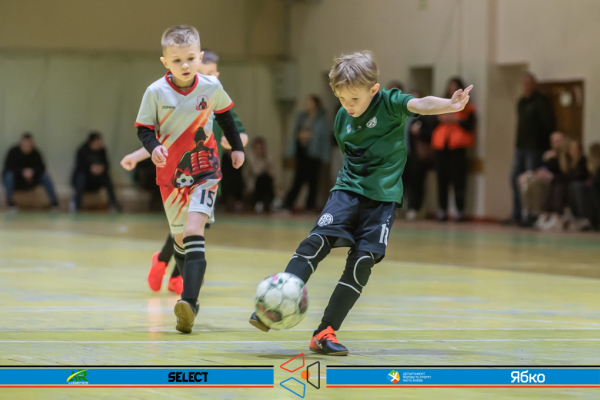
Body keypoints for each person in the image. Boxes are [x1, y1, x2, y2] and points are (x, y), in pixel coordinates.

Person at [248, 51, 473, 355]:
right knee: (316, 242)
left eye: (354, 99)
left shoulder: (389, 103)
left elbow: (419, 104)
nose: (349, 106)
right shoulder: (342, 118)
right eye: (342, 99)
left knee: (362, 263)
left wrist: (450, 104)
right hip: (347, 191)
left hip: (382, 200)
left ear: (374, 90)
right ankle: (272, 305)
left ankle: (325, 331)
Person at [135, 25, 244, 334]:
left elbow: (226, 116)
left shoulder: (211, 87)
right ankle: (190, 291)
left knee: (195, 230)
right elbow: (144, 129)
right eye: (177, 60)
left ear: (199, 56)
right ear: (165, 62)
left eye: (191, 58)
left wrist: (237, 147)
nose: (185, 65)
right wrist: (154, 147)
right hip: (171, 178)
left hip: (206, 173)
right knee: (181, 240)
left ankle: (189, 303)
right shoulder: (155, 92)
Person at [508, 72, 555, 225]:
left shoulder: (541, 101)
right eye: (525, 83)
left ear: (534, 85)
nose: (526, 86)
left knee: (531, 182)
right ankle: (517, 213)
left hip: (535, 148)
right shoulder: (521, 102)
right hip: (520, 146)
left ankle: (530, 215)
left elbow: (548, 124)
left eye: (529, 83)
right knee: (515, 178)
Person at [431, 77, 476, 222]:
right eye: (451, 87)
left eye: (455, 87)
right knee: (441, 181)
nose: (452, 89)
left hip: (458, 149)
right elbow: (431, 123)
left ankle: (459, 210)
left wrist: (456, 119)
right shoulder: (441, 105)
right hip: (441, 147)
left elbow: (470, 125)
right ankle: (442, 210)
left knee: (458, 181)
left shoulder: (468, 108)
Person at [284, 95, 331, 211]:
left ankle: (310, 205)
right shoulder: (302, 117)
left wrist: (325, 156)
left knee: (313, 181)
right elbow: (296, 132)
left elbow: (324, 138)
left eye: (310, 102)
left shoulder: (321, 120)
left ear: (315, 104)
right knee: (298, 179)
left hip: (314, 154)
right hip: (302, 152)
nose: (307, 104)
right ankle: (288, 203)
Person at [517, 131, 564, 226]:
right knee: (524, 180)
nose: (556, 144)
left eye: (558, 141)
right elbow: (541, 168)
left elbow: (562, 172)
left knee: (535, 183)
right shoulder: (547, 154)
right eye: (554, 141)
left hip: (554, 181)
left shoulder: (564, 156)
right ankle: (526, 213)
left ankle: (535, 214)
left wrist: (551, 174)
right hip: (543, 177)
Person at [2, 133, 59, 211]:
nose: (27, 145)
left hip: (31, 180)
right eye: (25, 143)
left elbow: (42, 167)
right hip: (17, 180)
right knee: (9, 176)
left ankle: (54, 203)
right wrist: (22, 172)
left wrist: (32, 172)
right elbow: (8, 167)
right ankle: (10, 203)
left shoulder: (36, 153)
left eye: (29, 143)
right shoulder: (13, 152)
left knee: (45, 177)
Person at [71, 132, 120, 213]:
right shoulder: (82, 150)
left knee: (107, 179)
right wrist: (90, 169)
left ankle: (113, 204)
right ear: (92, 142)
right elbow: (79, 167)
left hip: (96, 179)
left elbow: (106, 165)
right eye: (98, 141)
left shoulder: (102, 150)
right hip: (85, 179)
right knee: (81, 178)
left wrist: (101, 169)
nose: (100, 143)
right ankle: (76, 205)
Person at [245, 137, 275, 214]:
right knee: (262, 179)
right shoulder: (250, 156)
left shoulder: (267, 156)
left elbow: (272, 173)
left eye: (261, 148)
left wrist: (264, 159)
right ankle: (261, 202)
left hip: (265, 181)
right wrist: (264, 165)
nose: (259, 150)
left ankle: (266, 202)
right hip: (254, 181)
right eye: (257, 148)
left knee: (266, 179)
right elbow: (256, 171)